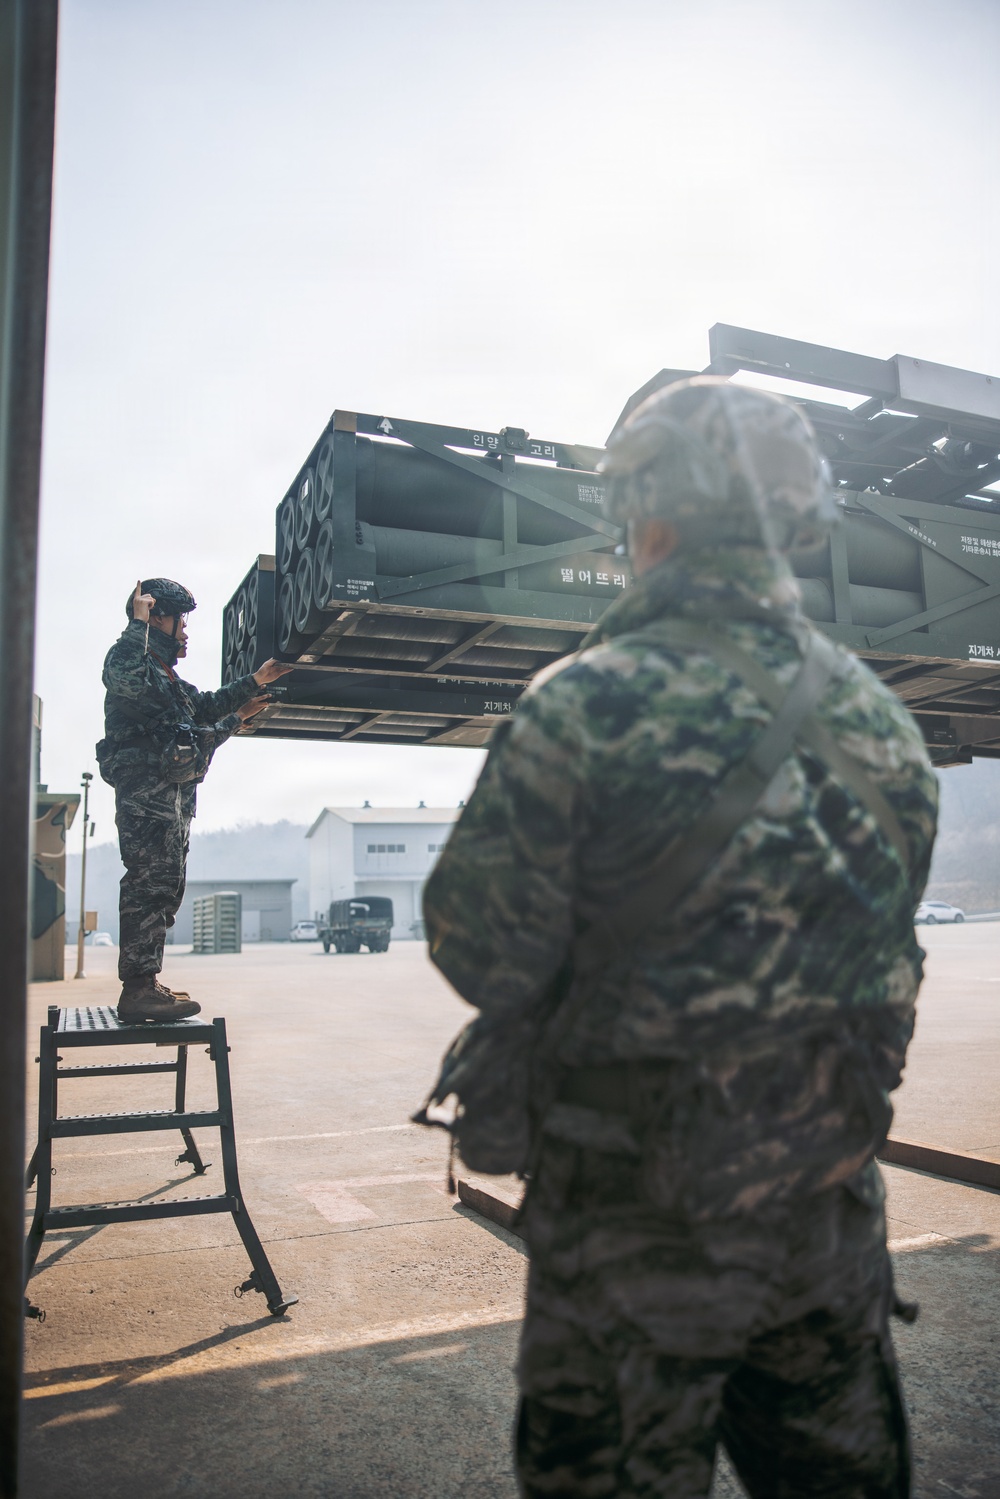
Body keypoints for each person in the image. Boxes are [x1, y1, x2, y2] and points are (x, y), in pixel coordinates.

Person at [420, 380, 939, 1497]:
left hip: (628, 1236)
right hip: (823, 1222)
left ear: (642, 506)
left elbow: (479, 950)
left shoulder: (582, 702)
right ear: (795, 515)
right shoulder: (884, 723)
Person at [98, 579, 290, 1021]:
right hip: (148, 798)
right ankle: (138, 990)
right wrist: (137, 623)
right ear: (158, 616)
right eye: (180, 620)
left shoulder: (165, 677)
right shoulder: (131, 660)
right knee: (149, 884)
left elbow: (201, 707)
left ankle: (146, 983)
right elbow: (127, 677)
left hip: (169, 799)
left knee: (165, 886)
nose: (185, 632)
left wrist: (255, 681)